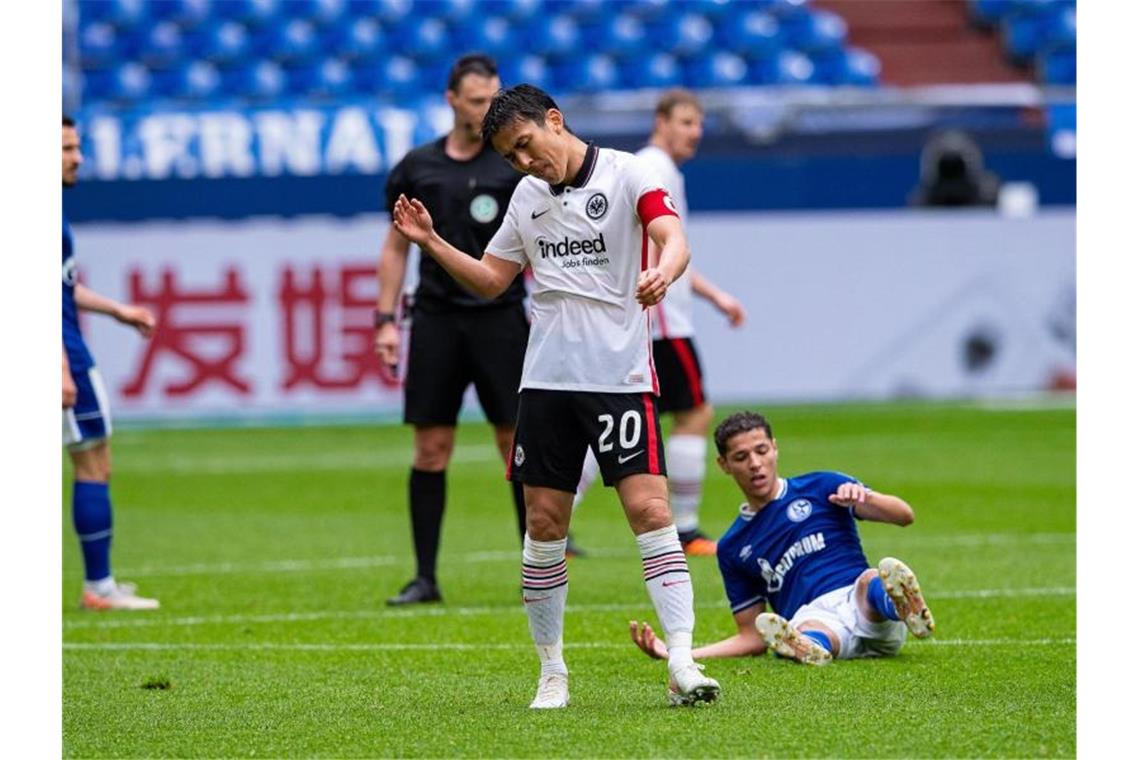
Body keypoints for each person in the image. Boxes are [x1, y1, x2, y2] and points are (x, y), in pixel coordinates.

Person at [390, 83, 721, 709]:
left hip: (619, 379)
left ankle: (681, 659)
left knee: (651, 513)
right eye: (511, 157)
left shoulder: (627, 173)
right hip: (545, 383)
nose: (523, 162)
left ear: (554, 120)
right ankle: (552, 671)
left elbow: (672, 235)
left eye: (524, 146)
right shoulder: (527, 197)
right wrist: (432, 243)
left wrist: (664, 268)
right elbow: (493, 280)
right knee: (544, 524)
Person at [375, 54, 536, 607]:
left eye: (493, 99)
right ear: (451, 100)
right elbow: (396, 247)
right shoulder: (417, 167)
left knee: (516, 446)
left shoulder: (514, 167)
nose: (486, 109)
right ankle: (425, 577)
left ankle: (533, 570)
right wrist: (384, 320)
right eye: (475, 100)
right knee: (431, 448)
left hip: (502, 319)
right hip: (439, 320)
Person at [571, 88, 746, 557]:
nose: (695, 134)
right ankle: (686, 529)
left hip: (654, 312)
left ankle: (554, 513)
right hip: (662, 320)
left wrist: (714, 296)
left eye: (699, 125)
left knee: (613, 424)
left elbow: (672, 250)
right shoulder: (655, 167)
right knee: (694, 413)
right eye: (686, 122)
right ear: (661, 121)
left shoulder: (648, 166)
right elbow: (660, 244)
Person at [629, 411, 935, 666]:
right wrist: (680, 654)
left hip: (862, 604)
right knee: (804, 629)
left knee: (871, 579)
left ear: (775, 448)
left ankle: (902, 609)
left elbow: (904, 515)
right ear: (724, 465)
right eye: (741, 456)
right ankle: (808, 648)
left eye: (761, 451)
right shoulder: (733, 547)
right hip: (817, 620)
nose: (755, 464)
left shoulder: (823, 486)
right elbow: (751, 635)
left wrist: (867, 497)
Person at [62, 115, 159, 611]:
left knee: (95, 461)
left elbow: (61, 285)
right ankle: (99, 587)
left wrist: (117, 310)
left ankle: (101, 582)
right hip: (65, 353)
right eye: (66, 149)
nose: (77, 157)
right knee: (93, 461)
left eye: (76, 146)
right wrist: (58, 364)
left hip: (67, 346)